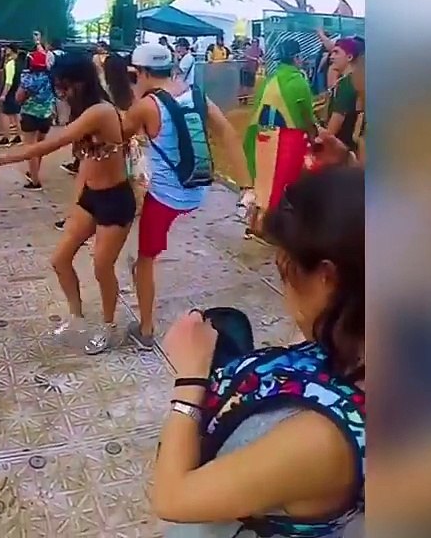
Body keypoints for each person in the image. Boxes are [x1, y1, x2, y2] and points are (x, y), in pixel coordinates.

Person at [152, 166, 363, 538]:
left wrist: (189, 379)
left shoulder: (321, 439)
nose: (286, 295)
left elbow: (172, 498)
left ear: (327, 278)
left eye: (286, 271)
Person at [0, 58, 135, 355]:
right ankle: (77, 318)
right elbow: (86, 162)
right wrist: (76, 204)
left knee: (102, 267)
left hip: (115, 199)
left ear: (81, 82)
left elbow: (50, 145)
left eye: (64, 87)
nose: (61, 93)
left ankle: (110, 327)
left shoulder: (100, 111)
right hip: (92, 197)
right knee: (60, 259)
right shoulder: (83, 111)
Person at [121, 43, 254, 350]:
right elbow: (228, 134)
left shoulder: (146, 106)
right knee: (147, 252)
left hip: (165, 197)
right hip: (198, 188)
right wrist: (247, 186)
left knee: (145, 259)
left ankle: (145, 329)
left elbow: (121, 134)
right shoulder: (196, 95)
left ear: (141, 72)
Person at [243, 38, 318, 239]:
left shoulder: (270, 80)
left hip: (260, 135)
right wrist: (314, 136)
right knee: (281, 184)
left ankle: (255, 223)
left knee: (263, 182)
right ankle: (267, 228)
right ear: (297, 58)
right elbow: (307, 117)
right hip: (287, 139)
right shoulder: (298, 81)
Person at [15, 48, 56, 191]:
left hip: (30, 115)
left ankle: (35, 181)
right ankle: (35, 171)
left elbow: (18, 98)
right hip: (46, 115)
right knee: (40, 146)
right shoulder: (52, 77)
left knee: (31, 149)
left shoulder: (28, 78)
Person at [322, 37, 363, 153]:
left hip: (343, 148)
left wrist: (321, 139)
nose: (331, 57)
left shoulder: (346, 84)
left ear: (349, 57)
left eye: (336, 52)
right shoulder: (358, 79)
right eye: (332, 53)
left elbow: (335, 124)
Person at [0, 46, 23, 146]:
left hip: (10, 92)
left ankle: (6, 137)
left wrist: (4, 94)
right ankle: (19, 136)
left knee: (5, 115)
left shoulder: (10, 63)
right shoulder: (19, 63)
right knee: (16, 114)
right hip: (17, 90)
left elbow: (8, 81)